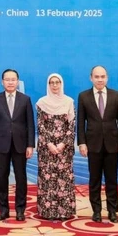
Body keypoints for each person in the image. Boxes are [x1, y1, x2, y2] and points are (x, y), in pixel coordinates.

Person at [77, 65, 118, 223]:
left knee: (112, 179)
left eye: (102, 76)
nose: (100, 79)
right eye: (96, 77)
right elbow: (80, 122)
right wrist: (82, 143)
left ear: (107, 78)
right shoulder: (83, 96)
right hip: (93, 144)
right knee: (95, 179)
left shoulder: (116, 95)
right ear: (91, 78)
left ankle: (113, 211)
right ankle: (96, 211)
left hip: (112, 144)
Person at [0, 69, 35, 222]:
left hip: (21, 145)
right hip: (1, 145)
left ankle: (20, 210)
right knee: (2, 178)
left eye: (13, 79)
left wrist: (30, 145)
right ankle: (3, 210)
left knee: (21, 178)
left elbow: (30, 124)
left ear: (17, 81)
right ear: (2, 82)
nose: (10, 82)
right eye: (7, 79)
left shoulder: (25, 99)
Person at [36, 73, 76, 221]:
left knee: (63, 180)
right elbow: (40, 125)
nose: (54, 85)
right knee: (48, 179)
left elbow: (71, 126)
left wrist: (62, 144)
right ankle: (48, 211)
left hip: (64, 148)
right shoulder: (42, 102)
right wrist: (50, 144)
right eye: (51, 82)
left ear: (61, 84)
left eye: (57, 82)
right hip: (47, 148)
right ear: (48, 84)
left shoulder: (69, 102)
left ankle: (64, 211)